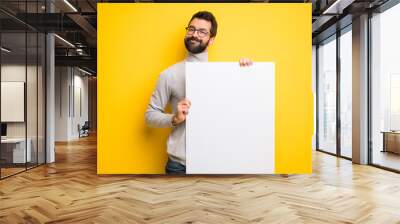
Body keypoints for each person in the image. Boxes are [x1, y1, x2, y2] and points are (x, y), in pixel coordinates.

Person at [145, 11, 252, 174]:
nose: (194, 35)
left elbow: (242, 110)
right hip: (180, 166)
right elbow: (150, 116)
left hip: (219, 161)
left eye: (202, 32)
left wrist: (249, 74)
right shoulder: (169, 74)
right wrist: (174, 118)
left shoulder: (227, 74)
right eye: (191, 29)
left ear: (211, 40)